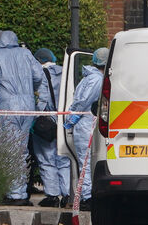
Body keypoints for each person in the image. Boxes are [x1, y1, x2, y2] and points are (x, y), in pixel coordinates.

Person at [0, 30, 45, 206]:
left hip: (7, 106)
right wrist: (32, 93)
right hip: (28, 106)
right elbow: (39, 76)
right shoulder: (26, 53)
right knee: (22, 150)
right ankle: (21, 191)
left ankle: (15, 194)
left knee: (9, 150)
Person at [63, 47, 109, 211]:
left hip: (84, 122)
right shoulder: (96, 79)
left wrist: (72, 117)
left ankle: (87, 196)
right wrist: (73, 116)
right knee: (86, 162)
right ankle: (88, 198)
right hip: (86, 123)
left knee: (85, 161)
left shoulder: (90, 77)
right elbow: (83, 101)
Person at [32, 48, 71, 208]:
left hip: (47, 120)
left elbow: (42, 99)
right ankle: (68, 194)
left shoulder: (39, 74)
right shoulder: (65, 72)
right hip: (65, 119)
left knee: (46, 159)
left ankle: (52, 195)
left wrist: (36, 115)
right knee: (64, 158)